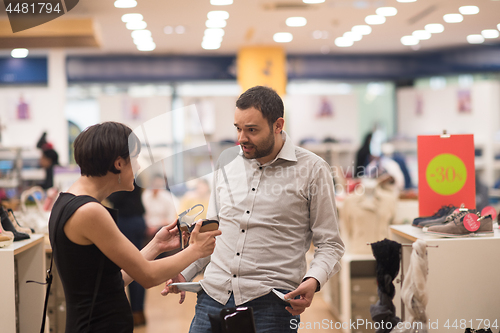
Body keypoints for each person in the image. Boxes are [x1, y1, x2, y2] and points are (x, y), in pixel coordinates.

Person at [163, 86, 345, 333]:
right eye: (238, 128)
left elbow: (330, 244)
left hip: (272, 304)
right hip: (212, 297)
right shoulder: (226, 162)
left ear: (278, 125)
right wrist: (185, 272)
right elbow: (213, 234)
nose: (241, 138)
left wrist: (313, 280)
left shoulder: (313, 170)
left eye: (252, 130)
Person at [48, 121, 221, 333]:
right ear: (119, 163)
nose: (139, 167)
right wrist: (196, 250)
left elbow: (111, 283)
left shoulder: (68, 202)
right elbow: (147, 276)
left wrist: (156, 245)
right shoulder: (89, 211)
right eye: (136, 158)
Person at [107, 182, 148, 326]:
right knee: (135, 265)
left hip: (129, 221)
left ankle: (136, 313)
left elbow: (114, 198)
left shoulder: (123, 178)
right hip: (135, 220)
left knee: (133, 266)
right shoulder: (133, 176)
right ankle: (138, 313)